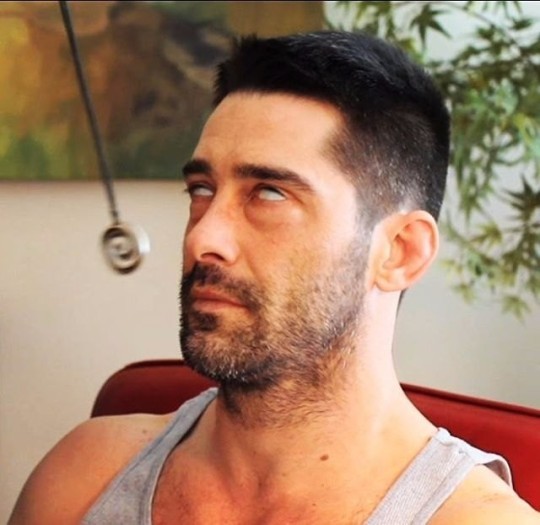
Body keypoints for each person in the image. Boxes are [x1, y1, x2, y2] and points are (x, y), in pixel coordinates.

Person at [9, 31, 540, 525]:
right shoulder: (82, 477)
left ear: (400, 252)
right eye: (201, 190)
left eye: (269, 193)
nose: (202, 238)